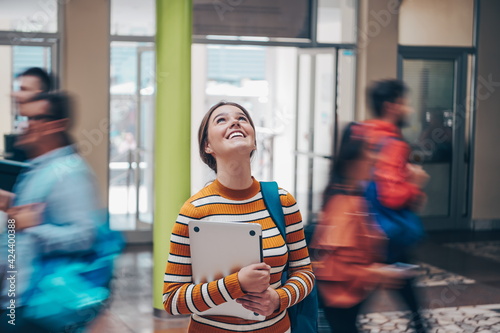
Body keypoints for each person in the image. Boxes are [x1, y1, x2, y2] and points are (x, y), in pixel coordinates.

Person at [163, 101, 315, 333]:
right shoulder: (194, 211)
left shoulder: (283, 202)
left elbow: (304, 273)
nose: (235, 122)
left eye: (242, 118)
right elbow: (173, 299)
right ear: (207, 146)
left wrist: (279, 298)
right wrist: (236, 284)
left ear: (253, 141)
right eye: (221, 120)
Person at [0, 92, 108, 332]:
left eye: (34, 118)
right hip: (17, 300)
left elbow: (84, 236)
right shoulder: (39, 168)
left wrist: (32, 227)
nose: (24, 125)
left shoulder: (70, 173)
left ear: (57, 125)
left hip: (36, 305)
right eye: (22, 117)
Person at [310, 122, 406, 333]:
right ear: (352, 161)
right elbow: (336, 268)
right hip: (342, 299)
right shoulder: (343, 204)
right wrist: (379, 273)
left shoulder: (354, 195)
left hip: (351, 298)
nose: (375, 158)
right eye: (369, 152)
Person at [364, 79, 429, 333]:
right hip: (388, 233)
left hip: (363, 228)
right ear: (391, 106)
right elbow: (391, 195)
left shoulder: (363, 134)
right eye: (405, 103)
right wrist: (415, 184)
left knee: (400, 286)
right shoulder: (393, 143)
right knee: (400, 283)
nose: (409, 110)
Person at [5, 67, 53, 162]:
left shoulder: (49, 135)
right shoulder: (24, 132)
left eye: (23, 89)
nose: (15, 94)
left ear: (40, 95)